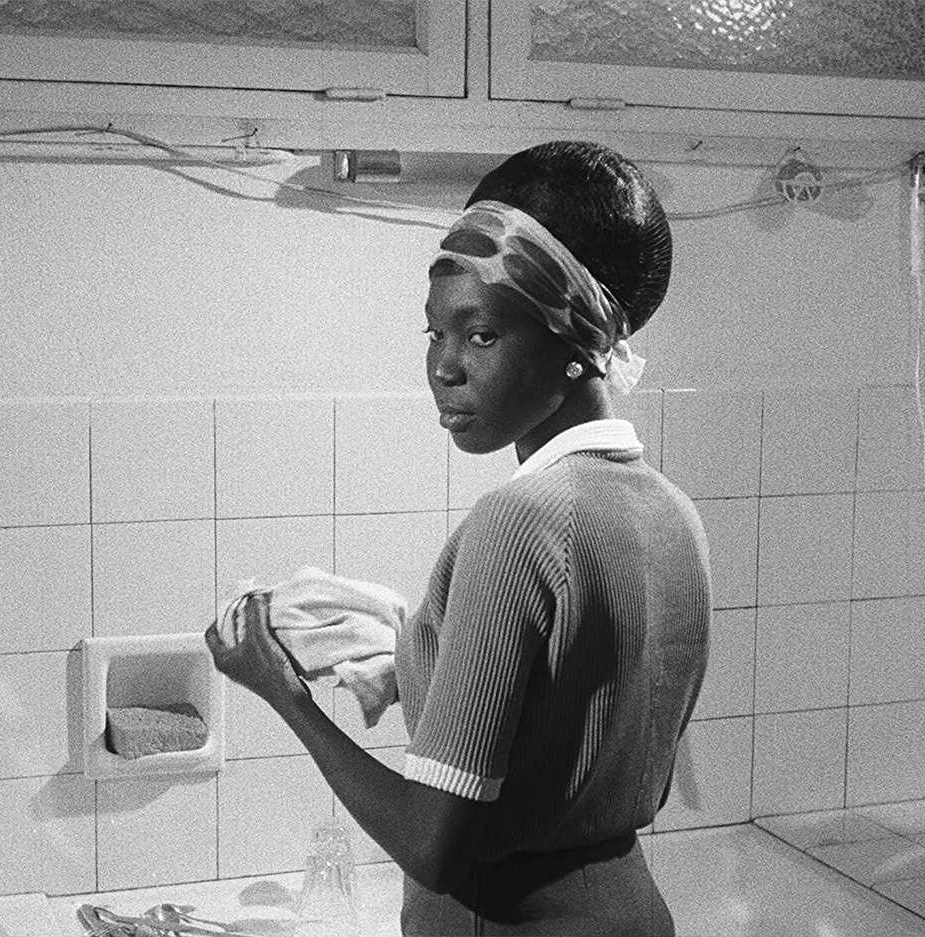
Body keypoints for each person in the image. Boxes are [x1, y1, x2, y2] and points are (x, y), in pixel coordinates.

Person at [206, 140, 711, 936]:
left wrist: (282, 691)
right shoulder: (676, 514)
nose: (444, 367)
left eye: (481, 335)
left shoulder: (517, 522)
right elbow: (569, 733)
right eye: (434, 332)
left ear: (575, 340)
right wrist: (413, 655)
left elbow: (432, 845)